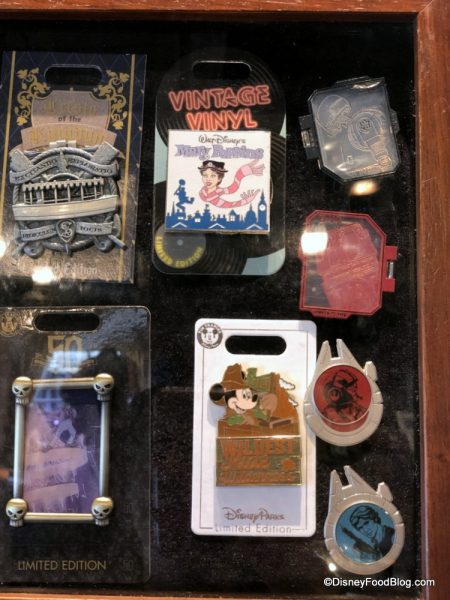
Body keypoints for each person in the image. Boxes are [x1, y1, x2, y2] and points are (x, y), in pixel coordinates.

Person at [198, 159, 264, 208]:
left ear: (219, 178)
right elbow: (230, 204)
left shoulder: (218, 193)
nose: (208, 179)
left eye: (213, 176)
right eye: (205, 175)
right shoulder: (208, 196)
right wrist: (246, 200)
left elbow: (233, 188)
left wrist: (242, 171)